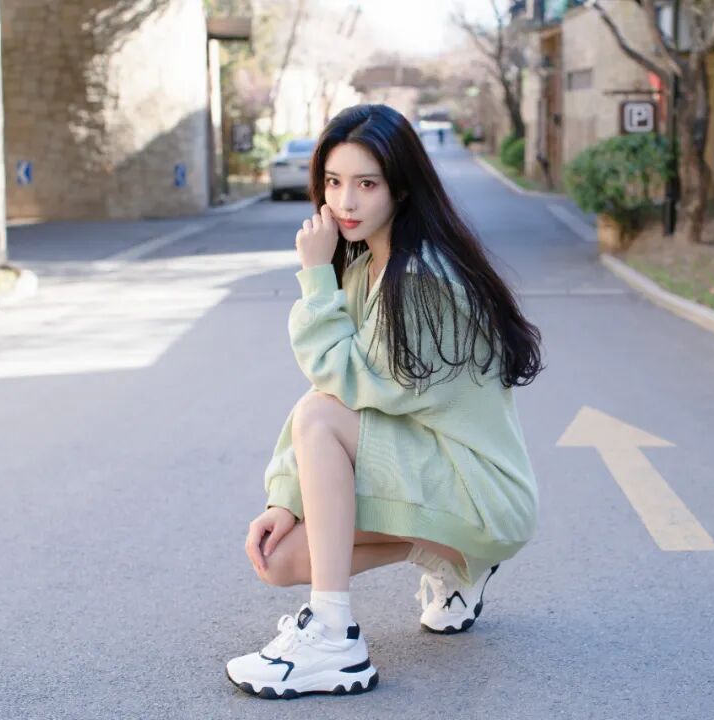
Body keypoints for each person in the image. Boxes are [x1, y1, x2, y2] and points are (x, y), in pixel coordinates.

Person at [225, 103, 544, 700]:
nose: (345, 202)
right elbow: (330, 391)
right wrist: (285, 500)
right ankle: (454, 560)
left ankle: (333, 638)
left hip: (481, 494)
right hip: (433, 478)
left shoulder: (422, 279)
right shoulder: (368, 267)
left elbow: (343, 389)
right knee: (283, 558)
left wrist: (314, 277)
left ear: (400, 188)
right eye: (333, 182)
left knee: (320, 417)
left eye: (366, 184)